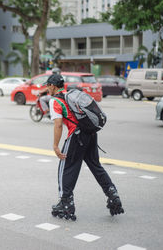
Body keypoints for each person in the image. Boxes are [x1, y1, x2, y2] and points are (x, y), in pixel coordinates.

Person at [46, 74, 124, 220]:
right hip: (90, 134)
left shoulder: (55, 100)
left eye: (47, 85)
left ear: (53, 86)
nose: (46, 88)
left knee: (67, 168)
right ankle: (112, 193)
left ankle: (66, 203)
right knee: (96, 166)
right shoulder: (72, 95)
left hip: (76, 136)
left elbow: (58, 124)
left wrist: (56, 146)